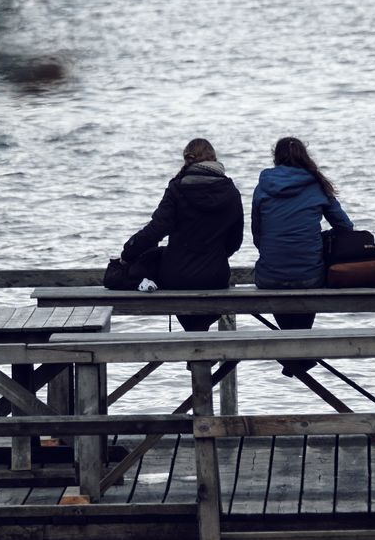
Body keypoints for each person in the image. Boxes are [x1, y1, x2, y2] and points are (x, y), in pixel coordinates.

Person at [251, 136, 355, 375]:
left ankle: (294, 356)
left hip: (270, 277)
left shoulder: (262, 187)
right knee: (308, 278)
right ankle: (298, 355)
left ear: (276, 157)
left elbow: (257, 233)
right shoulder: (317, 185)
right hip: (310, 275)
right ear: (304, 157)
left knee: (283, 290)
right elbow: (345, 227)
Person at [120, 138, 244, 331]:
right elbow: (235, 241)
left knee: (193, 329)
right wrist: (214, 256)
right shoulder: (231, 192)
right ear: (214, 159)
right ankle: (202, 355)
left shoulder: (177, 188)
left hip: (177, 277)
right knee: (199, 329)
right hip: (215, 277)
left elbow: (156, 229)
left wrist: (128, 252)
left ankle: (197, 354)